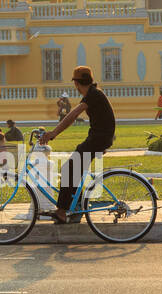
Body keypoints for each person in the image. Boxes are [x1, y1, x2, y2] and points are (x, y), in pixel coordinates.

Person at [40, 66, 115, 224]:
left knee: (68, 169)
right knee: (74, 170)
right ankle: (76, 207)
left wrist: (53, 133)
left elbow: (73, 115)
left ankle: (61, 212)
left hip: (98, 139)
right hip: (99, 137)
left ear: (76, 83)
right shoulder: (94, 93)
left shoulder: (92, 95)